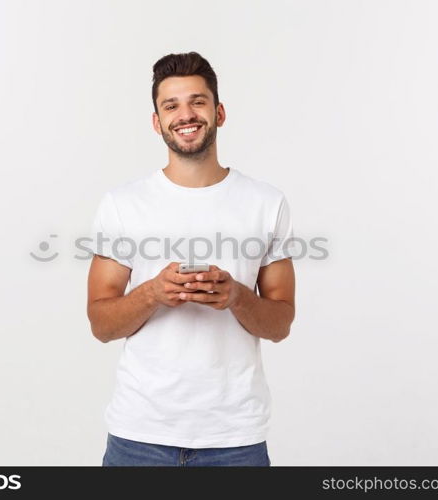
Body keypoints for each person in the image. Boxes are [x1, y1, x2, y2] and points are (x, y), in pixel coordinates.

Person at [87, 51, 296, 466]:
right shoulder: (122, 205)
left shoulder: (266, 203)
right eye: (171, 105)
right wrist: (152, 293)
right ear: (156, 122)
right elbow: (100, 324)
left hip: (236, 438)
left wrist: (236, 296)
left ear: (218, 112)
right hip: (139, 436)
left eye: (198, 102)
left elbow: (280, 324)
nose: (186, 114)